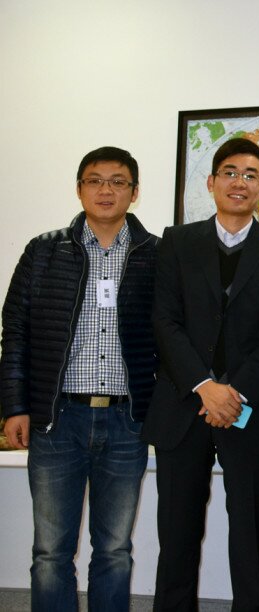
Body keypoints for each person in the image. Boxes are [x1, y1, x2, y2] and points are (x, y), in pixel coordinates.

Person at [143, 137, 259, 611]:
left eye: (250, 175)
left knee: (250, 536)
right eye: (230, 172)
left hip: (247, 410)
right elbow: (164, 320)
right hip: (183, 405)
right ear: (211, 182)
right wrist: (205, 387)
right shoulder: (177, 241)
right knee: (177, 535)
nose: (240, 182)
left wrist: (233, 392)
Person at [0, 146, 158, 611]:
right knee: (51, 551)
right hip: (56, 418)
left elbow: (172, 335)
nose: (105, 190)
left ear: (134, 191)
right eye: (95, 180)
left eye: (118, 181)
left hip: (127, 421)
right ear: (79, 188)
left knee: (114, 550)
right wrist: (14, 406)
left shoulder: (158, 255)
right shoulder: (44, 250)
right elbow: (16, 333)